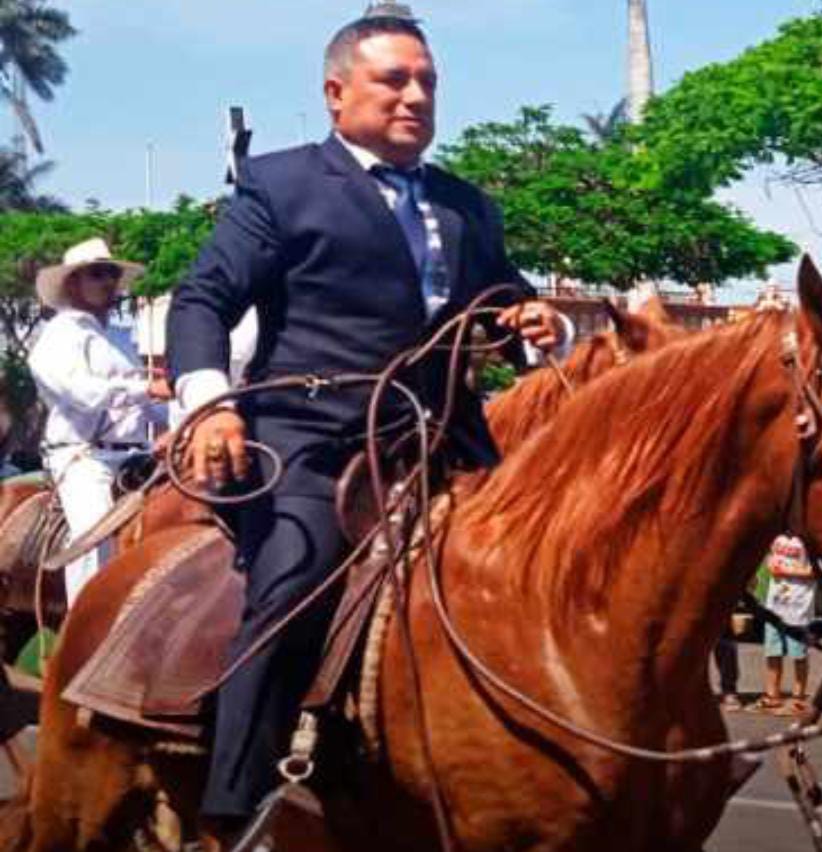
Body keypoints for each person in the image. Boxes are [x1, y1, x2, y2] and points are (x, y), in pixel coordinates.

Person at [165, 9, 569, 834]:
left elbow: (500, 301)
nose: (415, 95)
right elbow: (202, 298)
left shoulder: (468, 205)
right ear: (335, 91)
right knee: (291, 583)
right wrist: (209, 404)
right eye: (394, 79)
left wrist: (533, 322)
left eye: (428, 82)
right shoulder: (279, 184)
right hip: (314, 441)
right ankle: (237, 810)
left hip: (448, 441)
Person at [28, 237, 172, 606]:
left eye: (112, 273)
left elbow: (149, 404)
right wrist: (148, 389)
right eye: (97, 274)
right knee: (93, 537)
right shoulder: (59, 335)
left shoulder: (120, 338)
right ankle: (86, 625)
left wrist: (178, 420)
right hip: (85, 458)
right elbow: (84, 394)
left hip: (138, 455)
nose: (108, 281)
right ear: (73, 284)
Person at [753, 534, 816, 715]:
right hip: (774, 604)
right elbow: (769, 561)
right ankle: (773, 695)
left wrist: (787, 572)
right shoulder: (777, 536)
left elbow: (816, 570)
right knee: (772, 651)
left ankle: (798, 698)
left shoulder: (807, 539)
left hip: (797, 607)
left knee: (798, 653)